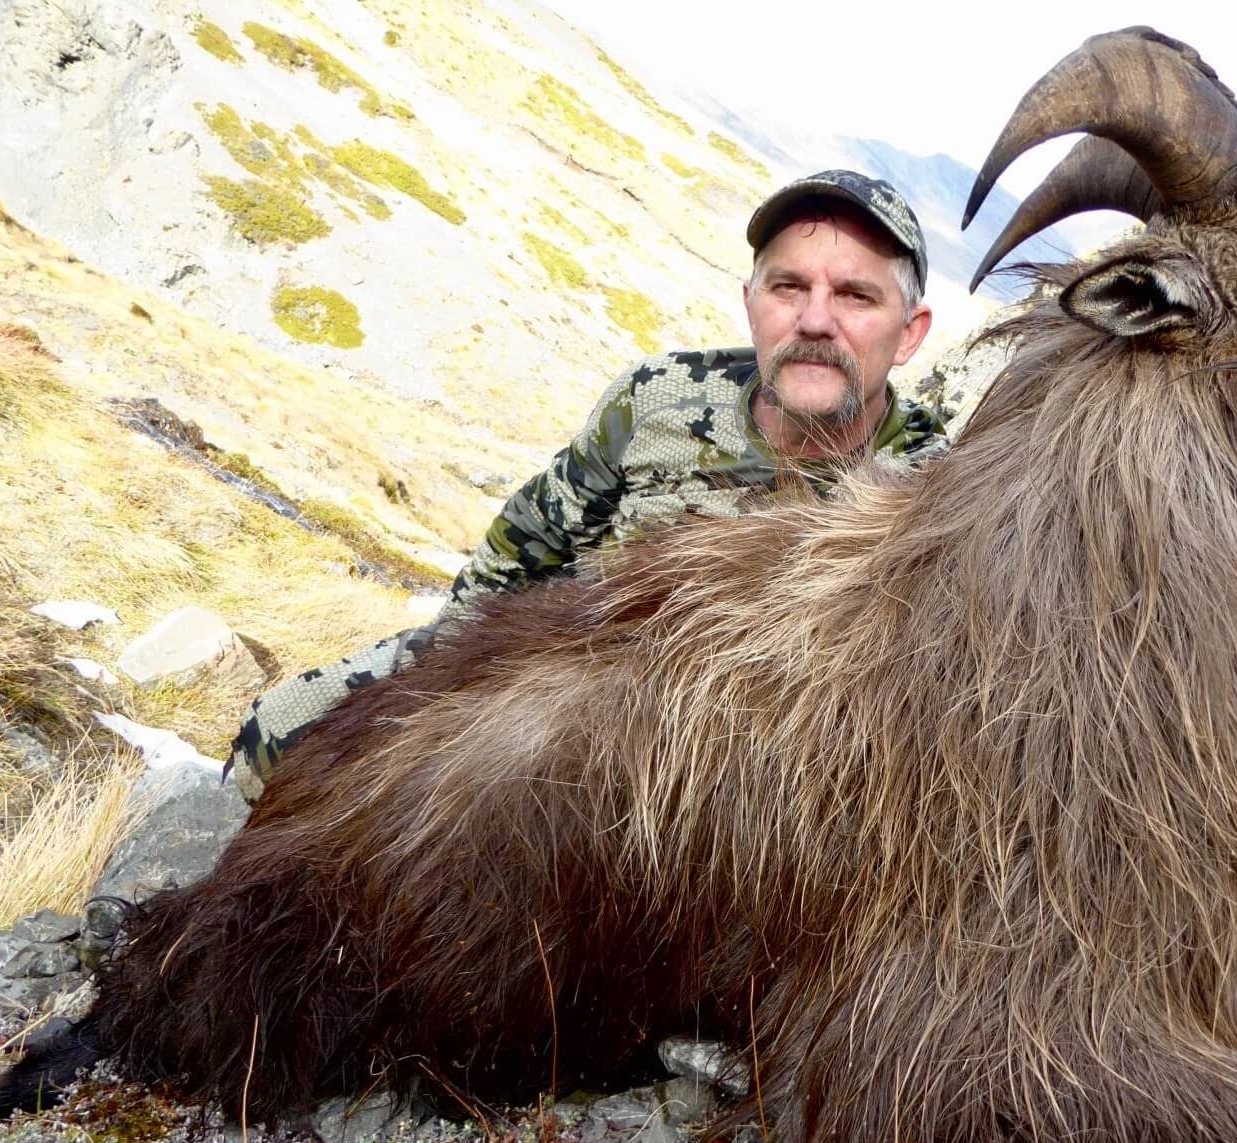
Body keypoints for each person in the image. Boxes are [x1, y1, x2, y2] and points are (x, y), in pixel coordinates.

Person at [227, 170, 942, 801]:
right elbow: (527, 543)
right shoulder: (658, 396)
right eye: (789, 286)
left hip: (737, 775)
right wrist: (450, 674)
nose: (815, 320)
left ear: (909, 333)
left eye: (855, 296)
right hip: (546, 680)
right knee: (276, 738)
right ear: (751, 300)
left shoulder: (936, 494)